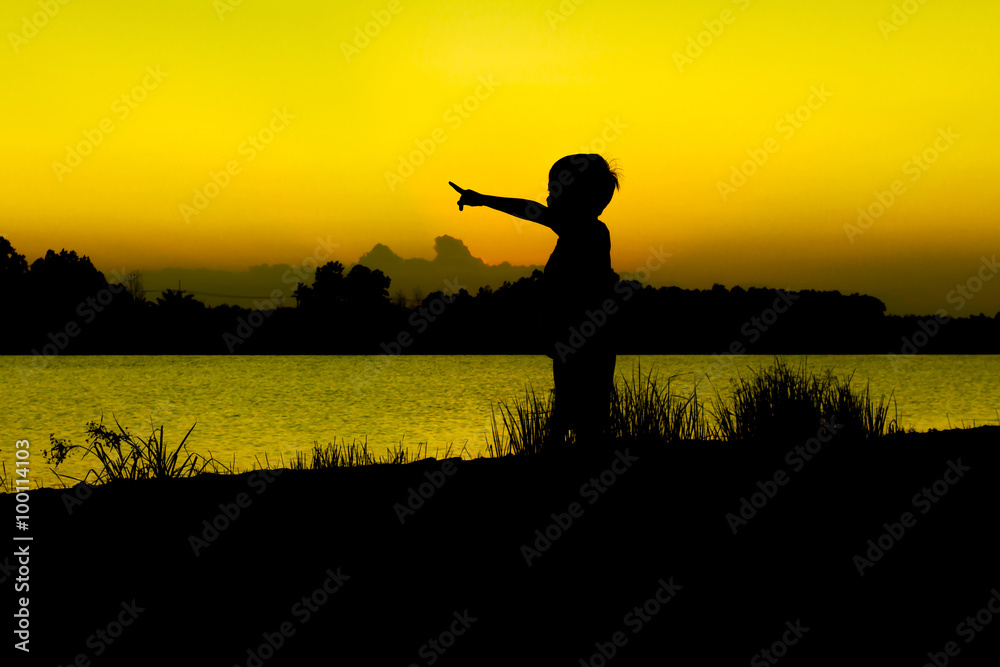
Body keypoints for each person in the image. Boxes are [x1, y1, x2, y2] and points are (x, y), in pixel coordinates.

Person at [449, 154, 620, 447]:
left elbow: (529, 210)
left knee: (574, 405)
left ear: (578, 196)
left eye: (555, 188)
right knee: (576, 406)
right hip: (583, 335)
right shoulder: (587, 231)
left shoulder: (583, 229)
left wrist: (484, 199)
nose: (548, 195)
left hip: (583, 336)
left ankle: (560, 461)